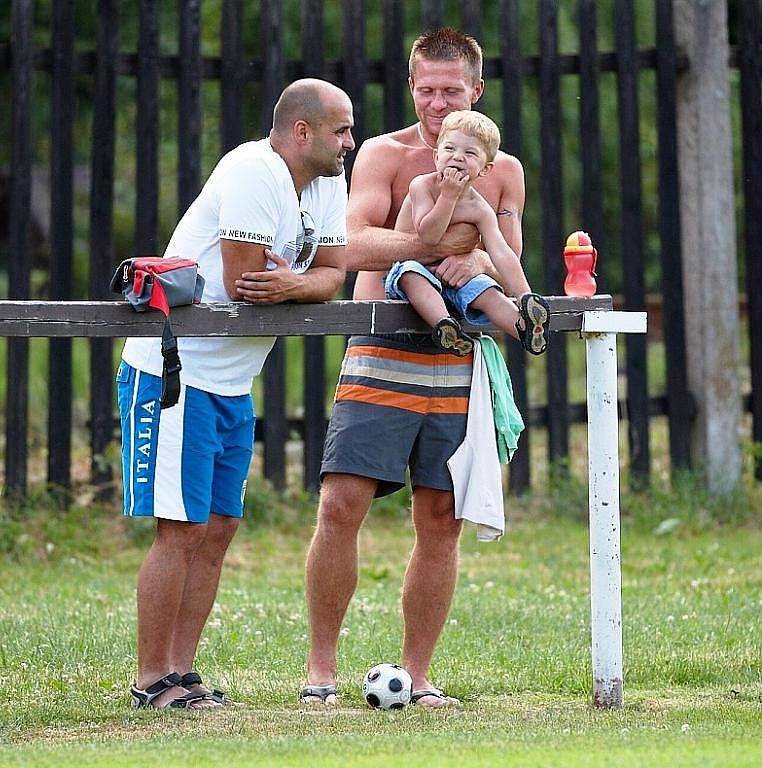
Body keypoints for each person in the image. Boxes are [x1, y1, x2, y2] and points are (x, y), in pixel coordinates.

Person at [302, 28, 527, 709]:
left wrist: (481, 258)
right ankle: (320, 674)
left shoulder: (504, 169)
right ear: (411, 87)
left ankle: (418, 677)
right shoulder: (381, 154)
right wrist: (434, 245)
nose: (436, 104)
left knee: (442, 516)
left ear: (476, 93)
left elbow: (510, 253)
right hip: (381, 348)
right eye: (425, 89)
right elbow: (353, 243)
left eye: (450, 91)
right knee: (342, 503)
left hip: (458, 359)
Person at [117, 78, 353, 710]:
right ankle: (150, 681)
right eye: (341, 131)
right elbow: (247, 278)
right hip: (175, 374)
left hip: (231, 382)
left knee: (219, 527)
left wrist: (296, 280)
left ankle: (183, 674)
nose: (350, 143)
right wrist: (299, 278)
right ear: (302, 131)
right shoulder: (252, 170)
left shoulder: (329, 184)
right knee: (181, 530)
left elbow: (333, 279)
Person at [386, 109, 549, 357]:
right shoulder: (423, 187)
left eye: (470, 153)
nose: (458, 157)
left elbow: (501, 252)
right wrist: (448, 197)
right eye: (450, 149)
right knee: (411, 274)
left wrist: (524, 294)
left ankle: (525, 328)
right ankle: (444, 326)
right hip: (414, 272)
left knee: (486, 289)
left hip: (456, 281)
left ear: (485, 169)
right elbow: (428, 236)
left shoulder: (479, 208)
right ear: (436, 155)